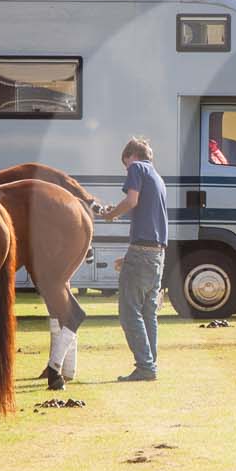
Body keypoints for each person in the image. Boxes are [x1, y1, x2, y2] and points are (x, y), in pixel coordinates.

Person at [99, 136, 167, 381]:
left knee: (129, 312)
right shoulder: (158, 178)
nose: (126, 171)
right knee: (148, 312)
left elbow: (132, 200)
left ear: (130, 157)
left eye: (124, 165)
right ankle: (150, 364)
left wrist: (110, 215)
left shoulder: (137, 168)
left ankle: (146, 366)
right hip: (158, 253)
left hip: (142, 251)